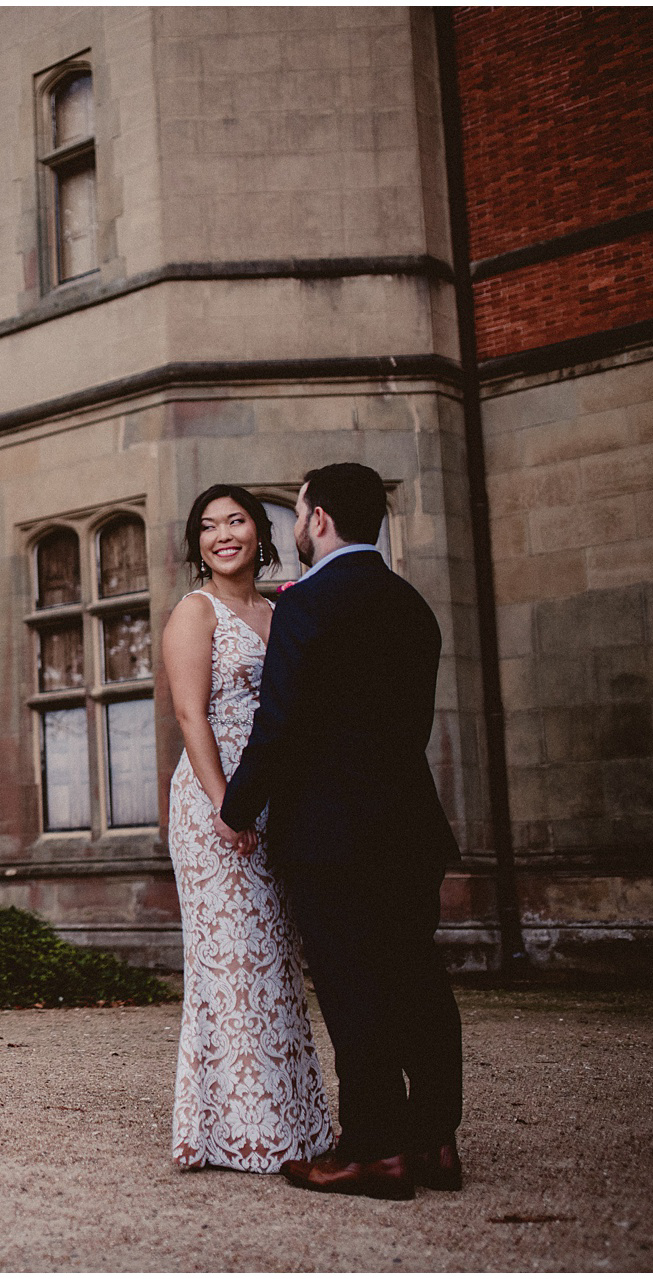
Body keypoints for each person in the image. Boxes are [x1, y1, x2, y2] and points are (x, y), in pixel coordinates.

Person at [219, 462, 464, 1202]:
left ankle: (374, 1151)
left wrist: (236, 807)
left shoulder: (308, 604)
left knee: (355, 989)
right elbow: (406, 727)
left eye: (296, 514)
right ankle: (435, 1142)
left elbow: (280, 722)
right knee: (417, 978)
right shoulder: (412, 604)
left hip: (332, 832)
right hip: (410, 826)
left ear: (318, 519)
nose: (294, 527)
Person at [163, 484, 335, 1173]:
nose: (221, 535)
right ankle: (243, 1134)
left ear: (261, 532)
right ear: (197, 542)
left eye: (234, 520)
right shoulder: (193, 611)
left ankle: (294, 1124)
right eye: (207, 526)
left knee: (274, 961)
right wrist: (226, 806)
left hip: (274, 794)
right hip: (215, 801)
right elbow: (189, 715)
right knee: (232, 958)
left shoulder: (278, 608)